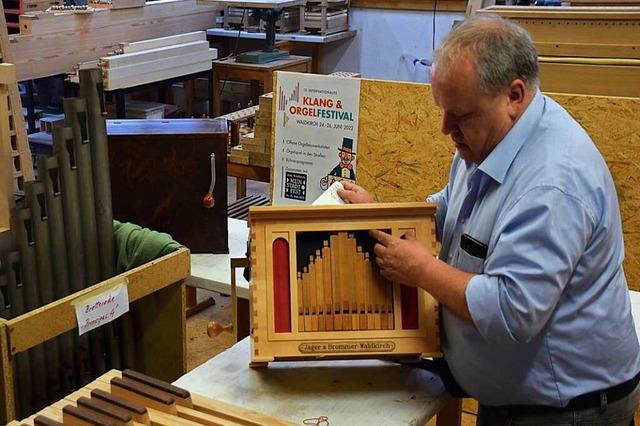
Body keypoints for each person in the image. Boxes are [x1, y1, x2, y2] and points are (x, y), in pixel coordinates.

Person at [338, 15, 640, 426]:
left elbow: (511, 312)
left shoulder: (553, 184)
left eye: (459, 115)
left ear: (514, 95)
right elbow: (451, 209)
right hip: (513, 398)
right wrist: (385, 214)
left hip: (567, 410)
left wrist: (423, 269)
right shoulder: (489, 139)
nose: (446, 129)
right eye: (443, 111)